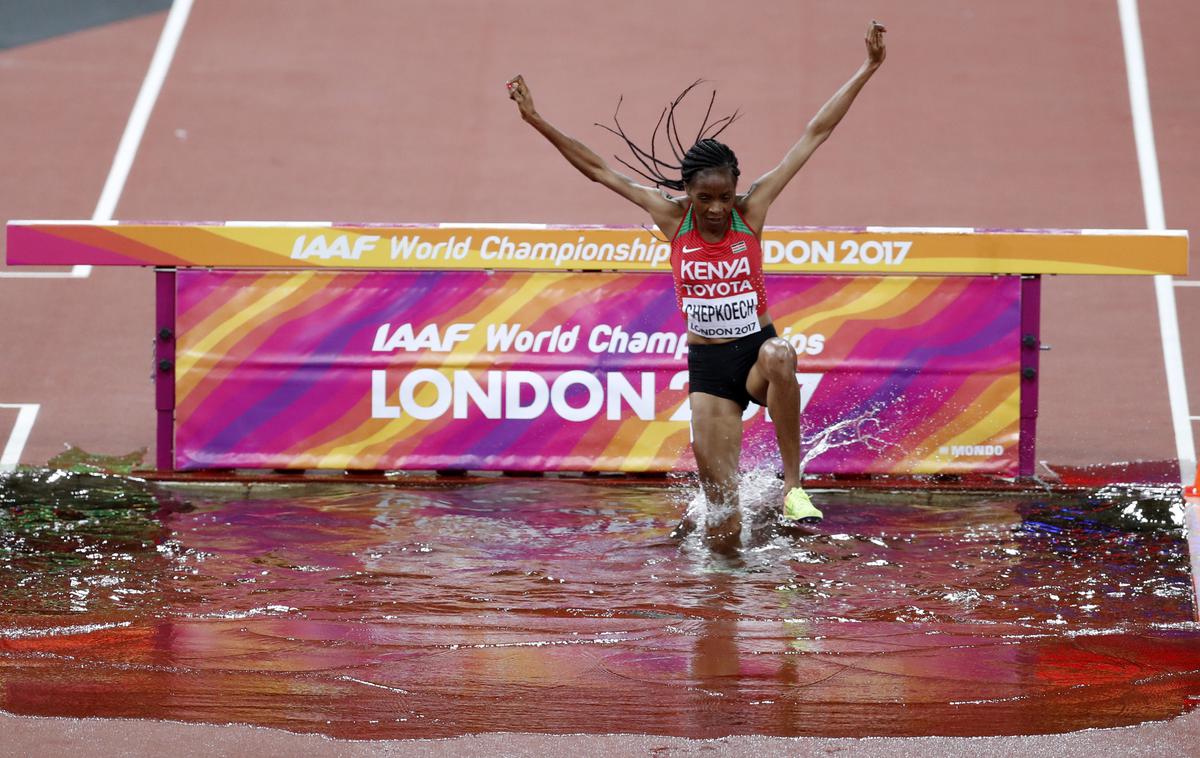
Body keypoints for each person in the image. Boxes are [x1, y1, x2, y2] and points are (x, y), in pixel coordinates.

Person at [507, 21, 887, 551]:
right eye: (704, 198)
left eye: (723, 197)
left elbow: (814, 135)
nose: (714, 210)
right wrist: (535, 119)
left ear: (735, 190)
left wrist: (867, 68)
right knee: (723, 527)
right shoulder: (671, 219)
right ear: (686, 192)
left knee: (782, 353)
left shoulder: (751, 213)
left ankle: (794, 486)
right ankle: (714, 595)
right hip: (710, 369)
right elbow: (597, 169)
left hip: (754, 353)